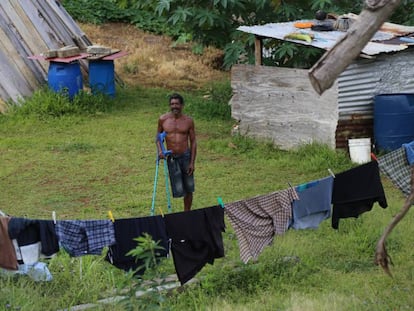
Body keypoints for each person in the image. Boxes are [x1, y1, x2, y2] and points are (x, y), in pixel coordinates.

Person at [156, 93, 197, 211]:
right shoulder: (163, 119)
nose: (174, 106)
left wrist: (192, 162)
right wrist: (160, 151)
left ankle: (187, 212)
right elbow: (158, 138)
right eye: (172, 104)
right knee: (179, 189)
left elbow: (193, 141)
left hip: (185, 156)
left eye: (177, 104)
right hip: (172, 157)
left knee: (189, 186)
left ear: (182, 105)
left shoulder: (188, 121)